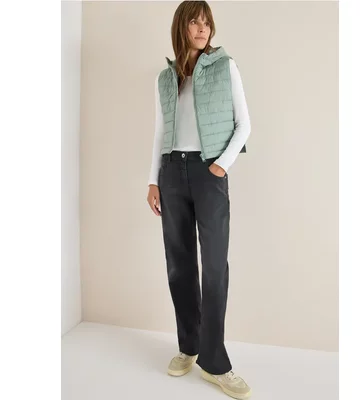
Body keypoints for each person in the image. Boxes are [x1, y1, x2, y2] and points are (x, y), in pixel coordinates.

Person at [147, 1, 252, 398]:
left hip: (209, 173)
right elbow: (160, 132)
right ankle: (188, 346)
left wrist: (221, 165)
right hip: (172, 173)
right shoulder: (165, 77)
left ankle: (215, 362)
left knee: (214, 267)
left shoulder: (225, 67)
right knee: (179, 264)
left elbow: (244, 124)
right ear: (182, 26)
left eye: (207, 22)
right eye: (195, 21)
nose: (203, 27)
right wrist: (153, 180)